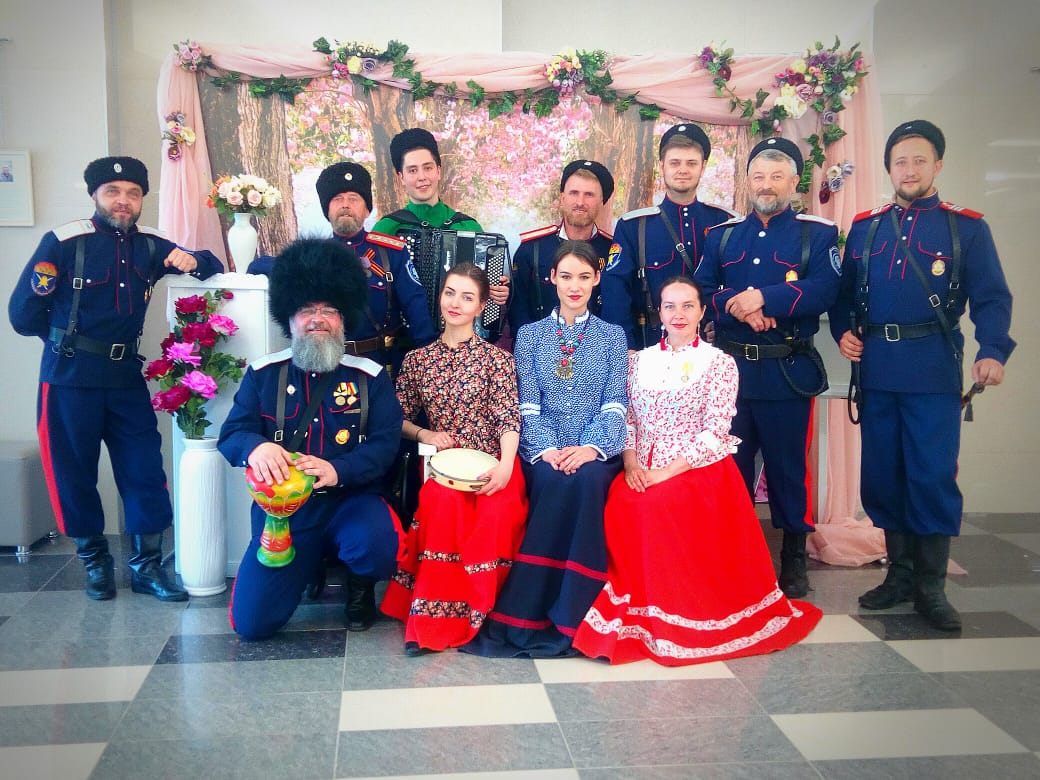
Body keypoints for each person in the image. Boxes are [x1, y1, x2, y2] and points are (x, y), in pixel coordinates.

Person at [572, 277, 823, 665]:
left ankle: (677, 605)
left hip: (696, 468)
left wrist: (665, 473)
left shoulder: (719, 363)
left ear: (702, 312)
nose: (678, 314)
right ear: (659, 311)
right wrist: (632, 463)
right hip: (643, 464)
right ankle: (635, 600)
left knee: (657, 506)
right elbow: (629, 420)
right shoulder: (637, 361)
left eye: (688, 306)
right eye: (670, 306)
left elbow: (715, 431)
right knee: (622, 500)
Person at [8, 156, 222, 602]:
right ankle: (95, 564)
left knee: (145, 470)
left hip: (125, 378)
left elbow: (207, 263)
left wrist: (194, 258)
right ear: (95, 195)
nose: (123, 201)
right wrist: (67, 339)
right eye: (113, 192)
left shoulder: (151, 246)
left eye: (133, 193)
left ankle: (146, 567)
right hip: (68, 378)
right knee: (73, 473)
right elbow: (23, 314)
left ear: (141, 199)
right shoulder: (64, 242)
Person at [830, 120, 1015, 631]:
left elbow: (992, 298)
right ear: (889, 169)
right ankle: (900, 576)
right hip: (877, 370)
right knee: (883, 475)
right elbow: (844, 296)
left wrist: (993, 350)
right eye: (899, 162)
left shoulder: (965, 228)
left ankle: (931, 588)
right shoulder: (866, 228)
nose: (908, 170)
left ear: (937, 165)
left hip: (933, 368)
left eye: (918, 160)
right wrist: (844, 331)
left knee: (931, 476)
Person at [218, 238, 405, 640]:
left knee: (379, 544)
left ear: (343, 319)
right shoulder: (263, 375)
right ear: (290, 319)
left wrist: (338, 470)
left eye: (329, 310)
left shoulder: (370, 377)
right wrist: (257, 447)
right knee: (252, 625)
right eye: (307, 310)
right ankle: (307, 565)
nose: (317, 319)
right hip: (285, 513)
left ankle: (359, 585)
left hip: (351, 501)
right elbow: (231, 435)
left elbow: (385, 444)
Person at [465, 240, 628, 658]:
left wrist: (590, 448)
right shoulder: (530, 335)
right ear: (552, 278)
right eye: (567, 276)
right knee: (553, 480)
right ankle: (532, 609)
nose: (575, 286)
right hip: (544, 448)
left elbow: (615, 404)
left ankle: (576, 609)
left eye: (584, 277)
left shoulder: (612, 336)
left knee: (587, 481)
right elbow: (527, 406)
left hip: (594, 451)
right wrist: (548, 450)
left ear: (596, 279)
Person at [695, 137, 841, 599]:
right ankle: (731, 555)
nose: (766, 185)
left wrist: (766, 298)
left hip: (786, 373)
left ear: (794, 183)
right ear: (747, 181)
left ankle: (793, 556)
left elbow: (826, 289)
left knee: (787, 468)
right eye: (758, 176)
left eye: (777, 176)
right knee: (730, 469)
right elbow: (701, 292)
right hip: (731, 374)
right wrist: (739, 306)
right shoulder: (722, 236)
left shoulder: (816, 234)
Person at [381, 262, 528, 655]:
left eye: (467, 297)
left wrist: (506, 465)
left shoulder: (498, 359)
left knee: (495, 512)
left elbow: (508, 416)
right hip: (443, 464)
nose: (456, 303)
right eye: (450, 293)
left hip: (495, 460)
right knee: (442, 505)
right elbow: (396, 419)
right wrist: (425, 434)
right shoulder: (417, 360)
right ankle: (433, 622)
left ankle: (484, 611)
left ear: (481, 306)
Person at [248, 161, 435, 374]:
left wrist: (428, 362)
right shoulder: (311, 257)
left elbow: (416, 307)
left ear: (367, 209)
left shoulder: (391, 253)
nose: (345, 205)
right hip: (328, 364)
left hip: (380, 364)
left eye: (353, 199)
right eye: (337, 199)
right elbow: (259, 266)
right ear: (327, 210)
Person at [601, 123, 737, 350]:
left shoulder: (725, 223)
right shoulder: (635, 226)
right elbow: (615, 292)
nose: (683, 170)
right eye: (675, 163)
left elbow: (737, 283)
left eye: (691, 163)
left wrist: (724, 323)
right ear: (662, 165)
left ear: (703, 166)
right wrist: (625, 347)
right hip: (651, 345)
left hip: (712, 347)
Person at [372, 127, 509, 309]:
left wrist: (496, 291)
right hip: (403, 327)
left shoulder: (468, 226)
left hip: (460, 327)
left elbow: (483, 292)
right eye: (412, 170)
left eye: (427, 168)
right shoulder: (386, 229)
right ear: (401, 177)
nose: (422, 177)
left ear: (438, 170)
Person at [510, 159, 614, 330]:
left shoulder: (612, 251)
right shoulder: (532, 248)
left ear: (602, 200)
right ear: (562, 197)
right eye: (574, 193)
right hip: (541, 345)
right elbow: (518, 312)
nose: (580, 202)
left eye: (589, 194)